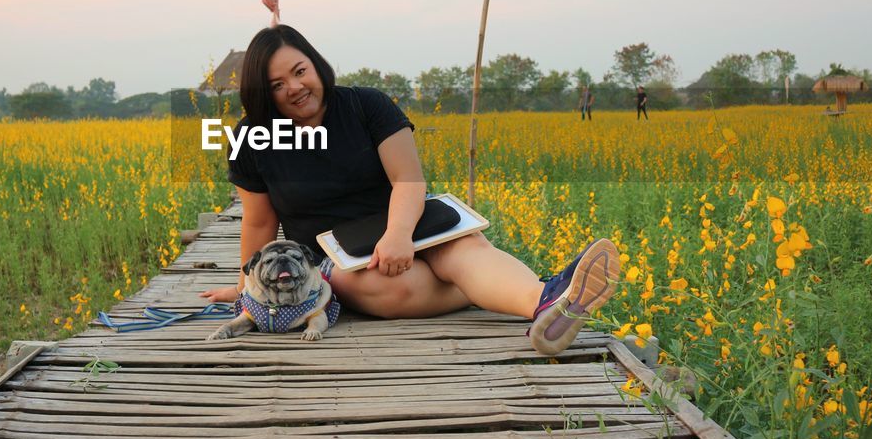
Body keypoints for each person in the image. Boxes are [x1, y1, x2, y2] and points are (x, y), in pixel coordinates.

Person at [200, 22, 620, 356]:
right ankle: (519, 289)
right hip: (333, 256)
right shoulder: (253, 136)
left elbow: (408, 179)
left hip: (411, 224)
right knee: (375, 285)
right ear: (263, 94)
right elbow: (258, 221)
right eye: (277, 84)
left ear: (316, 65)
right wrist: (246, 289)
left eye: (299, 71)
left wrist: (398, 235)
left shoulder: (366, 105)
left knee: (459, 250)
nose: (294, 87)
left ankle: (543, 305)